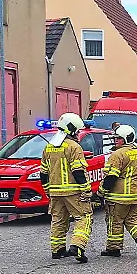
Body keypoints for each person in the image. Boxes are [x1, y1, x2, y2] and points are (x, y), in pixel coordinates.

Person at [40, 113, 92, 263]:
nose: (78, 133)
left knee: (58, 220)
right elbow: (78, 171)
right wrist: (86, 189)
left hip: (55, 192)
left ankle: (57, 250)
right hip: (73, 191)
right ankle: (77, 246)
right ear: (72, 129)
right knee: (84, 217)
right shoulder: (74, 147)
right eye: (77, 130)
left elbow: (43, 173)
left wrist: (47, 190)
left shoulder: (49, 147)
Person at [99, 125, 137, 258]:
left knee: (115, 221)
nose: (115, 140)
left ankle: (114, 248)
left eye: (118, 138)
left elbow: (111, 177)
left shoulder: (118, 154)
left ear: (124, 139)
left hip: (120, 196)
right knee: (134, 219)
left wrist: (101, 192)